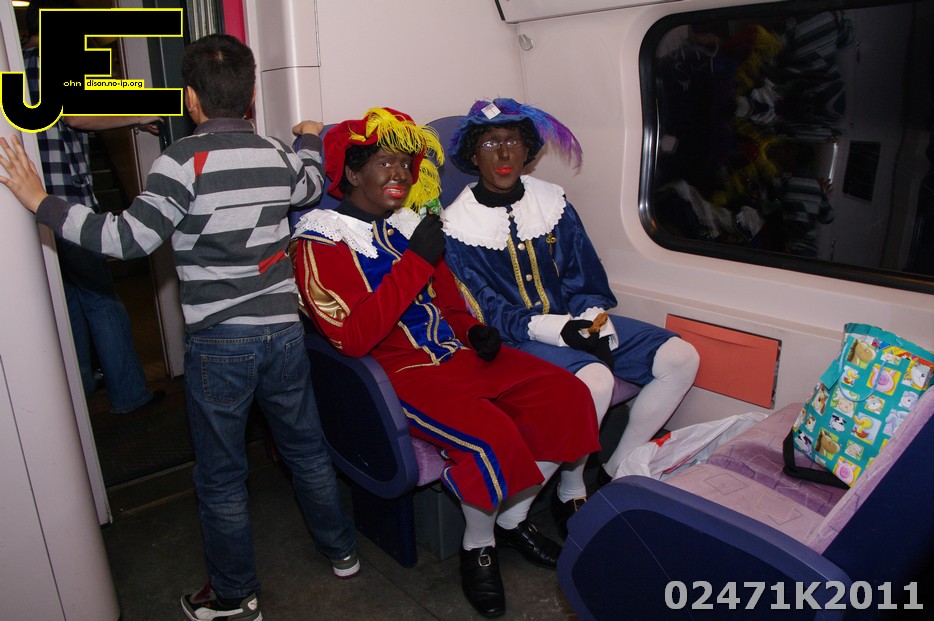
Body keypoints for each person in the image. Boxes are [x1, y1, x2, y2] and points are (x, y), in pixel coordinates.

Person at [0, 33, 358, 621]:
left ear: (190, 98)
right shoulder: (276, 153)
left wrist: (41, 201)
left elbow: (126, 239)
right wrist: (311, 137)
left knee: (221, 477)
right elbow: (313, 183)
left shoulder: (180, 162)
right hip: (284, 334)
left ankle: (234, 597)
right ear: (250, 97)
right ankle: (342, 551)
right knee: (306, 449)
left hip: (221, 343)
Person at [288, 107, 599, 618]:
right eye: (385, 163)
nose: (401, 174)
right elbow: (353, 339)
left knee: (569, 394)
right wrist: (415, 262)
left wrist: (473, 331)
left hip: (457, 356)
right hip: (397, 376)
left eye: (405, 164)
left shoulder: (408, 225)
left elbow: (450, 306)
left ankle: (510, 518)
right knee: (492, 435)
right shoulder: (319, 243)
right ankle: (479, 547)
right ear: (352, 173)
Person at [440, 98, 701, 532]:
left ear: (528, 151)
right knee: (594, 380)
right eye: (489, 144)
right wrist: (561, 331)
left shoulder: (552, 201)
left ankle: (616, 471)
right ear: (472, 156)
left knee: (681, 357)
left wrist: (593, 318)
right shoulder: (457, 226)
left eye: (513, 141)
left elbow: (583, 271)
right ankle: (534, 506)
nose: (503, 153)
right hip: (518, 339)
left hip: (573, 320)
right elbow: (487, 309)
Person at [23, 0, 164, 413]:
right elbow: (77, 115)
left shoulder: (16, 65)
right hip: (66, 198)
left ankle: (81, 384)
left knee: (68, 295)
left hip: (32, 202)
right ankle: (129, 395)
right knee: (101, 295)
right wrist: (137, 115)